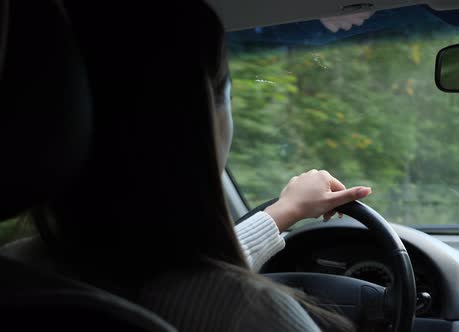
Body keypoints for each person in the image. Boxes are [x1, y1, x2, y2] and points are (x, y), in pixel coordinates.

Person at [3, 1, 370, 331]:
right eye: (224, 91)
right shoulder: (253, 314)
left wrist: (284, 212)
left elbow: (168, 270)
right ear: (194, 124)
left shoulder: (17, 272)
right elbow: (197, 289)